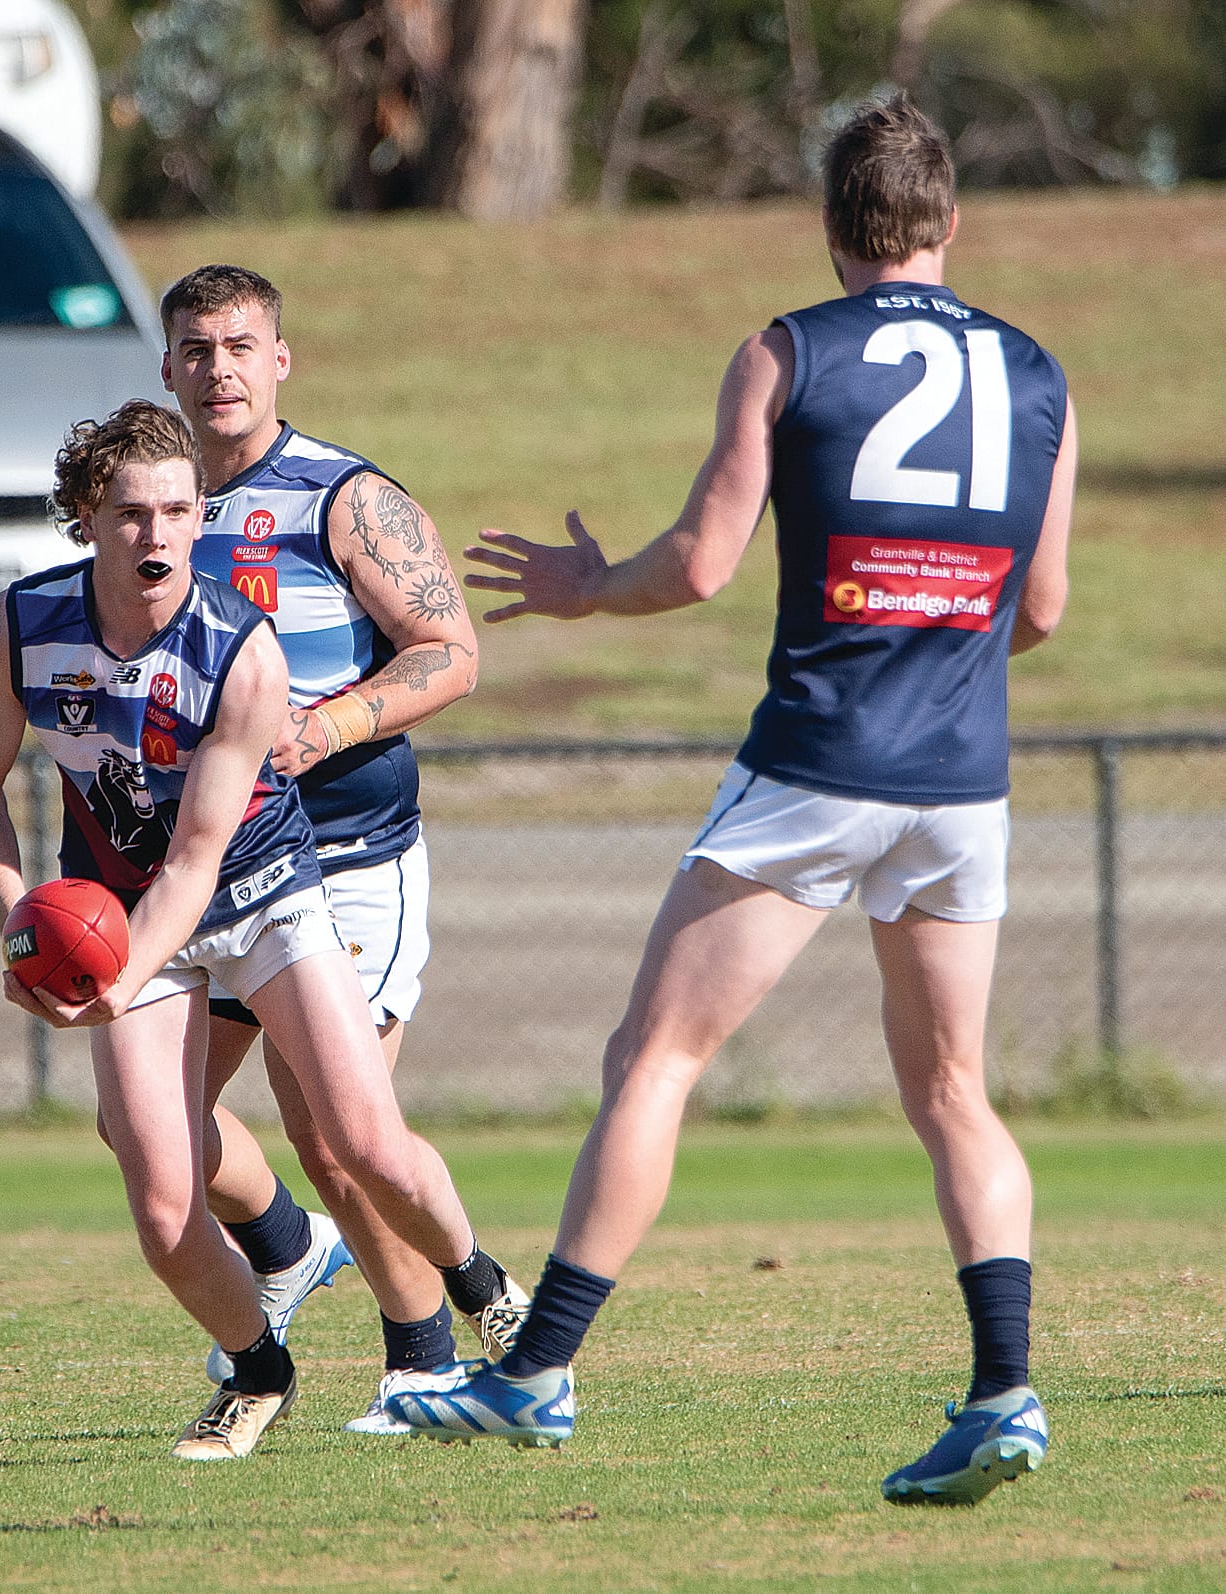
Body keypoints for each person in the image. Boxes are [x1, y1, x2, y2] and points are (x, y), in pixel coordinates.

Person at [386, 93, 1077, 1508]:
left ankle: (534, 1373)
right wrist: (937, 651)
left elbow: (700, 564)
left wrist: (585, 589)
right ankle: (1006, 1389)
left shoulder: (790, 349)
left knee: (656, 1055)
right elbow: (1044, 610)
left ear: (833, 230)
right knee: (955, 1089)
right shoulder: (1040, 374)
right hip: (963, 784)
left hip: (820, 761)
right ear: (950, 223)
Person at [0, 399, 522, 1461]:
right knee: (162, 1205)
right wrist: (19, 927)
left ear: (199, 515)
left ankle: (485, 1288)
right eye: (128, 513)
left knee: (364, 1144)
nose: (156, 534)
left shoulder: (239, 649)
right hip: (130, 919)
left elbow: (202, 855)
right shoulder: (15, 630)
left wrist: (112, 981)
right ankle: (260, 1370)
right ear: (84, 516)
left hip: (265, 900)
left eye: (176, 510)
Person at [156, 263, 527, 1432]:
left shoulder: (344, 497)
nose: (219, 368)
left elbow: (449, 649)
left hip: (351, 852)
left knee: (329, 1124)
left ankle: (425, 1356)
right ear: (167, 368)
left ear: (280, 361)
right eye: (196, 349)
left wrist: (330, 723)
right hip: (209, 870)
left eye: (240, 345)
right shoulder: (157, 507)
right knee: (154, 1125)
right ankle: (287, 1246)